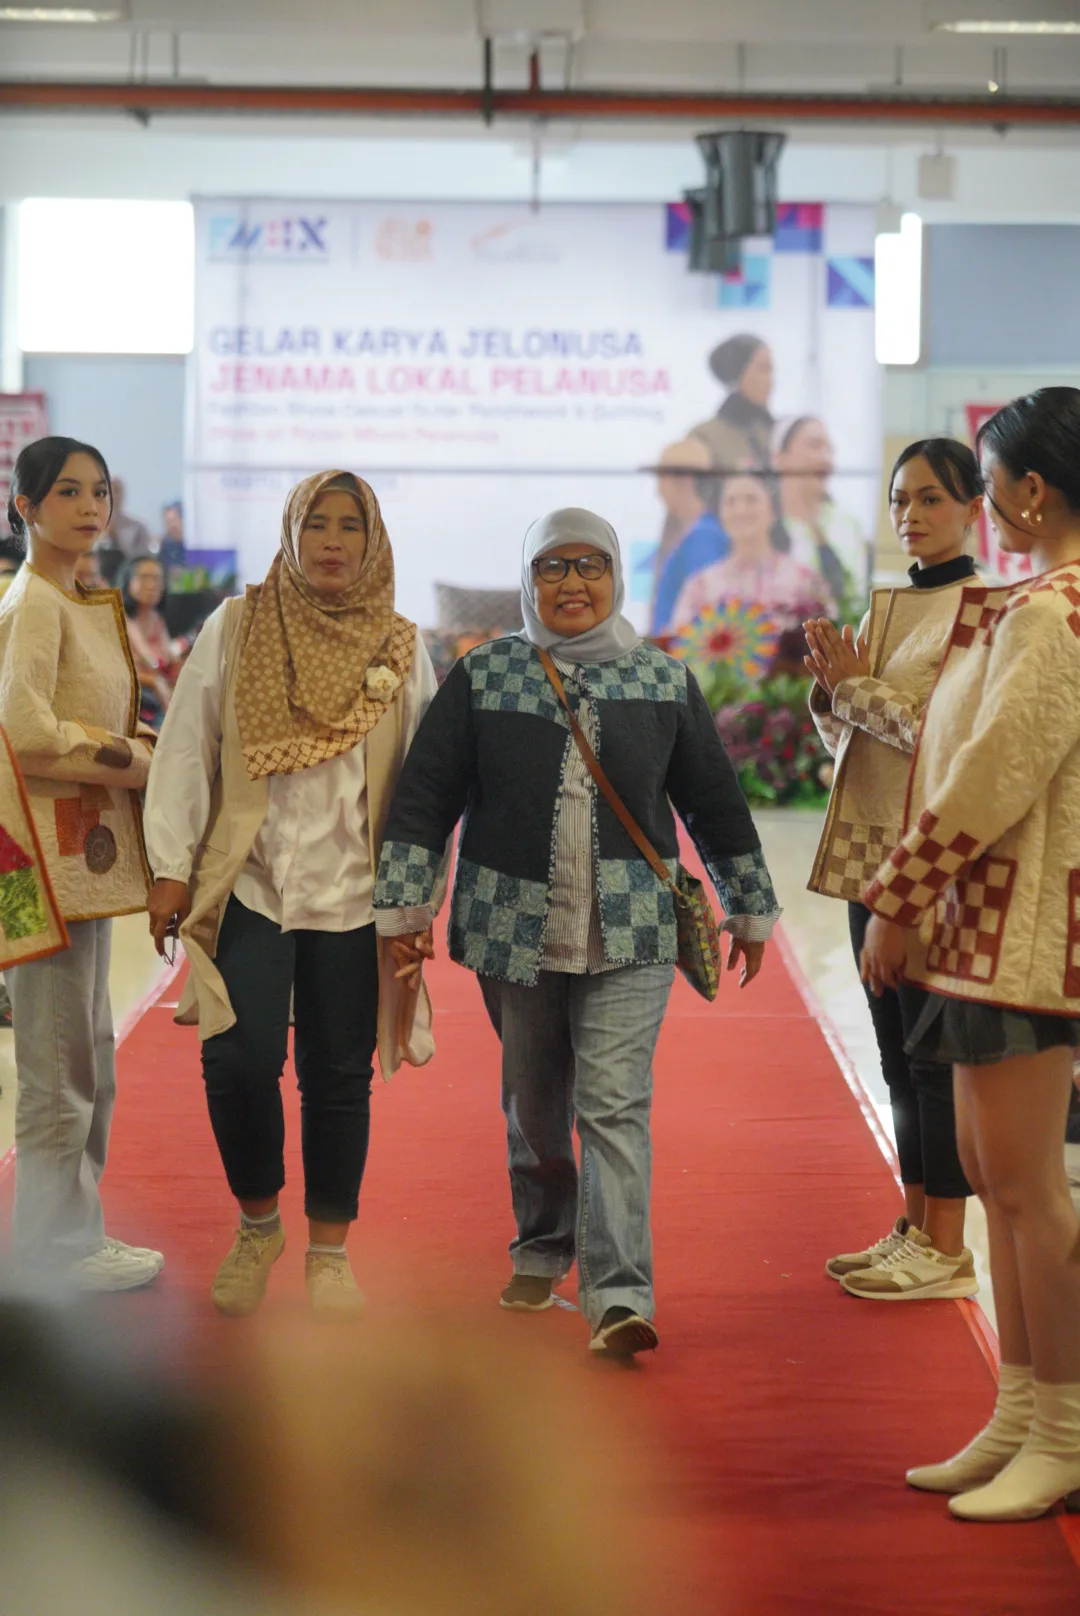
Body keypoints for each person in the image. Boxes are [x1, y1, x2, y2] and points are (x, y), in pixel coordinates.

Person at [373, 507, 780, 1357]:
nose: (571, 583)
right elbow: (425, 796)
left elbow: (713, 802)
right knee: (535, 1106)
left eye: (589, 565)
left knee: (613, 1105)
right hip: (512, 927)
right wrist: (405, 908)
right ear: (527, 581)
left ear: (615, 575)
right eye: (552, 567)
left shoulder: (662, 681)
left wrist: (748, 905)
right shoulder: (485, 675)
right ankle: (541, 1243)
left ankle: (619, 1294)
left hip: (632, 929)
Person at [143, 470, 439, 1320]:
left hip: (357, 894)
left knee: (339, 1074)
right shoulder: (236, 626)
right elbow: (187, 746)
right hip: (253, 883)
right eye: (317, 523)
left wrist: (416, 903)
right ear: (291, 532)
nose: (333, 541)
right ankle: (257, 1225)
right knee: (237, 1060)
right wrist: (170, 865)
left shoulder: (400, 646)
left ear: (373, 541)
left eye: (351, 525)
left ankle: (329, 1255)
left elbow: (422, 789)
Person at [860, 387, 1080, 1521]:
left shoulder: (1055, 611)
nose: (987, 507)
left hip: (1022, 933)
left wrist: (896, 895)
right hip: (987, 929)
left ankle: (1067, 1430)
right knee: (997, 1183)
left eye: (986, 486)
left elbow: (993, 774)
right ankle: (1022, 1407)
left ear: (1030, 490)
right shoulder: (1034, 602)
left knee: (1031, 1192)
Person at [805, 439, 984, 1301]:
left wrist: (855, 690)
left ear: (974, 508)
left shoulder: (986, 610)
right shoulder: (888, 607)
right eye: (899, 499)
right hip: (866, 860)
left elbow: (944, 740)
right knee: (893, 1058)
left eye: (930, 499)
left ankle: (948, 1247)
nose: (910, 514)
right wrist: (830, 696)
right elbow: (861, 751)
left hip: (930, 867)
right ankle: (912, 1228)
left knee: (930, 1059)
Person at [0, 437, 162, 1290]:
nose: (90, 506)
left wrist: (140, 747)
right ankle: (51, 1253)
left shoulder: (71, 598)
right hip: (39, 862)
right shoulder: (34, 601)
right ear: (25, 507)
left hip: (74, 858)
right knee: (60, 1065)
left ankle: (72, 1235)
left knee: (83, 1052)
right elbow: (26, 732)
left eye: (99, 490)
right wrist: (134, 758)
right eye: (67, 491)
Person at [671, 471, 833, 631]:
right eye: (730, 502)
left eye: (751, 499)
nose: (740, 509)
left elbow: (829, 635)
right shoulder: (701, 586)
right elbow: (678, 641)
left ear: (773, 511)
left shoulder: (804, 580)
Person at [771, 416, 871, 603]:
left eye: (830, 451)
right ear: (779, 457)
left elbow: (856, 601)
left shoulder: (847, 524)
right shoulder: (760, 522)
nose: (826, 459)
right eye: (815, 446)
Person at [649, 438, 729, 636]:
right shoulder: (696, 534)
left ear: (684, 481)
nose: (658, 491)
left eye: (662, 479)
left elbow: (706, 610)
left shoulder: (704, 538)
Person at [689, 333, 775, 474]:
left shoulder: (780, 434)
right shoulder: (705, 437)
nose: (771, 380)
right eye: (763, 369)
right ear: (737, 375)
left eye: (771, 370)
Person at [120, 554, 182, 724]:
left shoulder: (156, 619)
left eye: (157, 579)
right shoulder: (118, 619)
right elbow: (116, 670)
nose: (152, 585)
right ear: (128, 581)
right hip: (133, 698)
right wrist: (154, 682)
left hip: (159, 691)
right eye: (144, 577)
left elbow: (167, 660)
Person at [159, 499, 186, 571]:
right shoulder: (166, 545)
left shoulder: (195, 544)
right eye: (168, 522)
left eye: (174, 520)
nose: (172, 525)